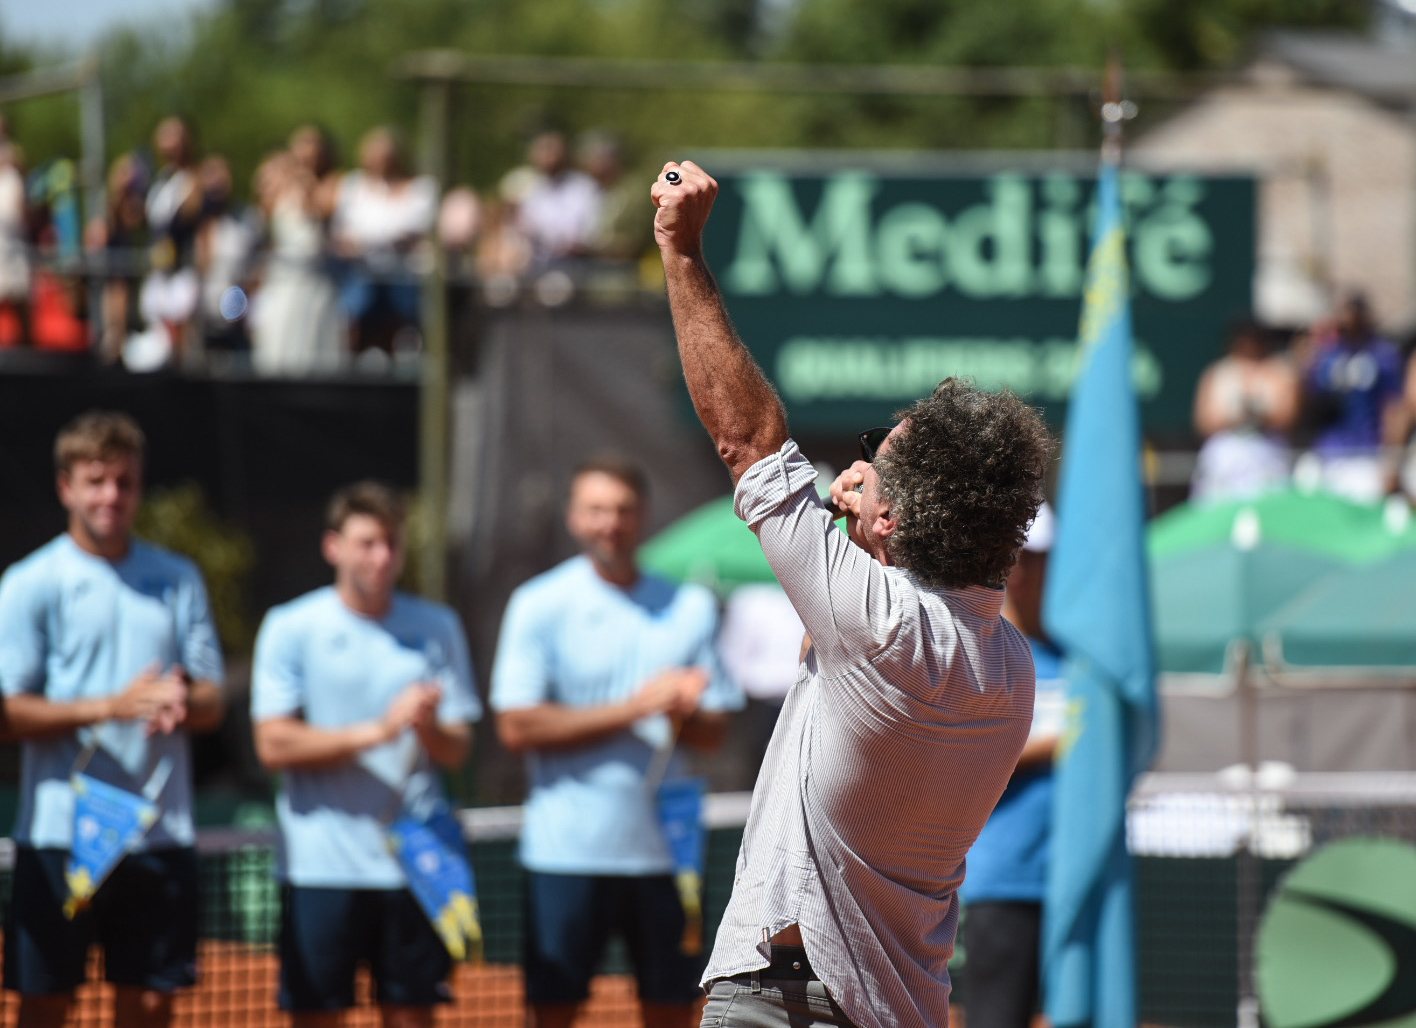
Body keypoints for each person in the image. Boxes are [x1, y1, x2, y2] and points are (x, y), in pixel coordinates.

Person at [649, 161, 1054, 1028]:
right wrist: (869, 524)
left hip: (786, 1002)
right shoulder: (1010, 665)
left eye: (877, 459)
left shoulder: (879, 625)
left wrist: (681, 253)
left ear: (900, 520)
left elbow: (746, 440)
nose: (853, 473)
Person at [490, 456, 743, 1028]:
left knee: (673, 1008)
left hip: (667, 855)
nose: (611, 523)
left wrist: (681, 711)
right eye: (596, 509)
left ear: (643, 515)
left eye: (623, 510)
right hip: (564, 853)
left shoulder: (690, 606)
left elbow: (713, 733)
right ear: (573, 517)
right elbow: (515, 727)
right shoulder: (538, 603)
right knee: (553, 1010)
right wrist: (637, 707)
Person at [0, 410, 225, 1028]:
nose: (111, 496)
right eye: (96, 481)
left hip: (160, 833)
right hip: (60, 835)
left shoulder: (178, 578)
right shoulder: (30, 583)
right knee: (46, 1004)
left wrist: (181, 700)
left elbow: (212, 700)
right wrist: (110, 706)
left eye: (124, 482)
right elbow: (6, 713)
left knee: (150, 1005)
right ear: (65, 487)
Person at [250, 480, 481, 1028]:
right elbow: (273, 743)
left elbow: (458, 750)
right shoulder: (291, 626)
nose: (381, 557)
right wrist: (380, 730)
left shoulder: (438, 626)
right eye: (367, 543)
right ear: (333, 547)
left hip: (416, 866)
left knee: (413, 1017)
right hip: (319, 867)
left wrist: (426, 728)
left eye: (391, 544)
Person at [958, 504, 1066, 1028]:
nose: (1022, 570)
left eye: (1035, 557)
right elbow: (971, 754)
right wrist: (1060, 745)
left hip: (1071, 881)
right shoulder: (978, 652)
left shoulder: (1077, 659)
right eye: (1014, 557)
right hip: (1001, 881)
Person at [1190, 319, 1299, 501]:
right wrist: (1235, 417)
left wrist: (1260, 415)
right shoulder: (1216, 372)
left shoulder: (1280, 371)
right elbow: (1203, 422)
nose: (1249, 345)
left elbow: (1288, 417)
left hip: (1267, 454)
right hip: (1225, 455)